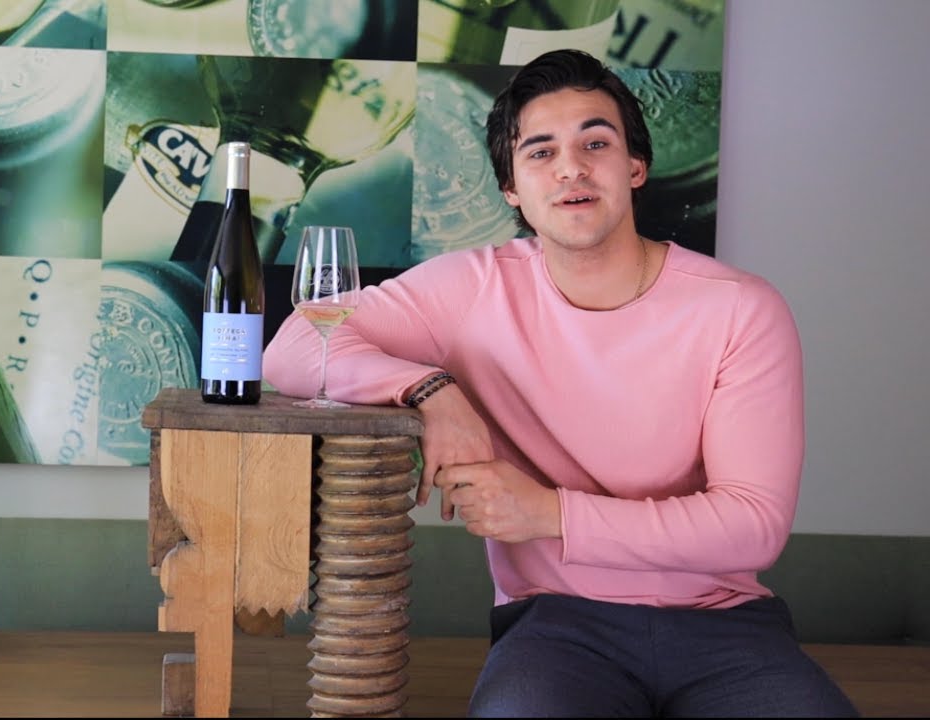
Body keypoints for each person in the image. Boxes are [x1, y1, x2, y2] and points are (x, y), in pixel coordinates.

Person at [263, 49, 858, 717]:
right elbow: (292, 347)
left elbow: (752, 528)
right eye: (541, 152)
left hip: (725, 625)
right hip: (557, 626)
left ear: (635, 167)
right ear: (512, 189)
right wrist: (430, 390)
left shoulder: (740, 308)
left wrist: (548, 513)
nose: (571, 167)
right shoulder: (472, 287)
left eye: (595, 143)